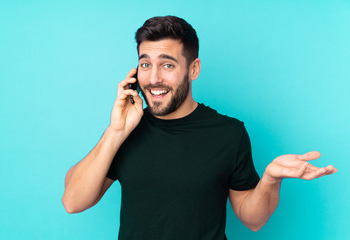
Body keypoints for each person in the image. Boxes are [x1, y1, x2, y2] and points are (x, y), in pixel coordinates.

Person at [62, 16, 337, 240]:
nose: (154, 78)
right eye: (145, 64)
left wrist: (270, 180)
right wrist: (115, 132)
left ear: (193, 70)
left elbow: (253, 220)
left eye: (167, 65)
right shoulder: (124, 131)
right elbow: (73, 202)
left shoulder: (229, 133)